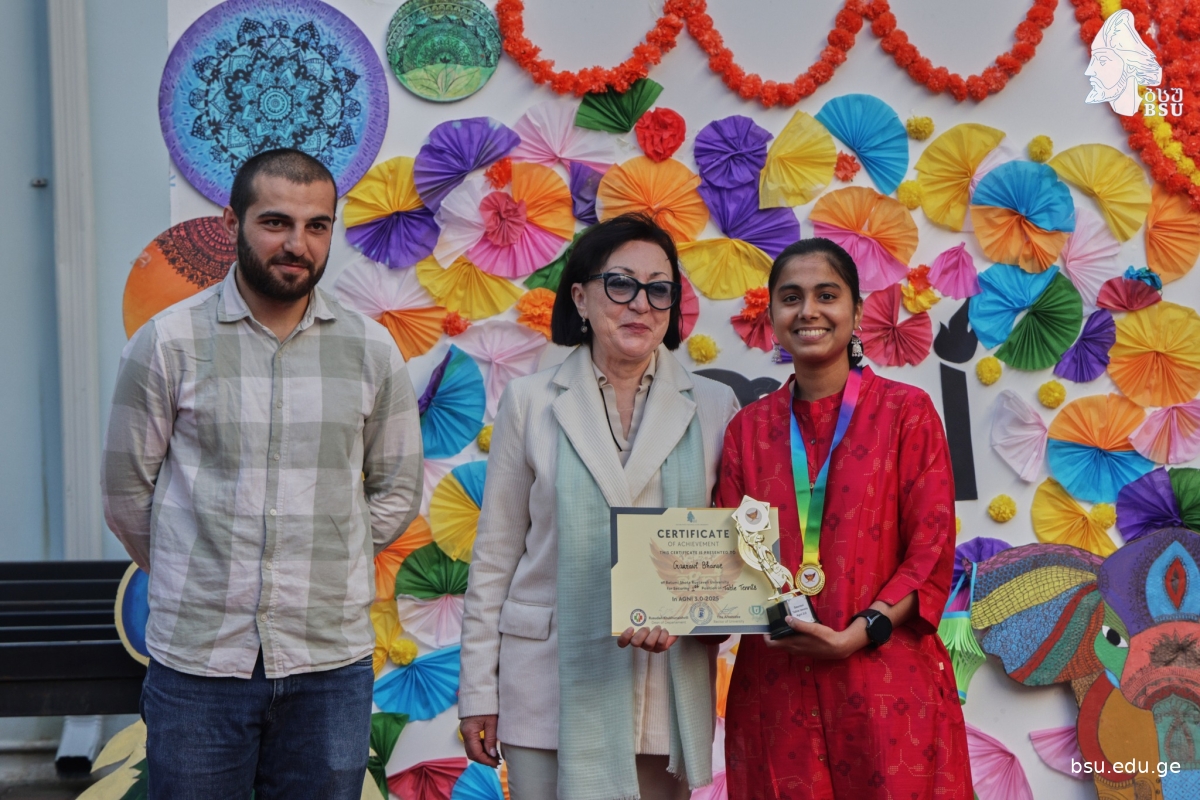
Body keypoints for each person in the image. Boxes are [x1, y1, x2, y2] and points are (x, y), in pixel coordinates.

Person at [101, 148, 423, 800]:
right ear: (232, 223)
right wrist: (200, 568)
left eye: (316, 226)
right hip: (199, 664)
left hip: (328, 665)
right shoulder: (167, 343)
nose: (297, 244)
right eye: (276, 222)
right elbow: (126, 495)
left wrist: (327, 555)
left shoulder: (370, 350)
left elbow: (397, 489)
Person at [458, 213, 739, 800]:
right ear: (581, 298)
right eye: (620, 284)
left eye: (659, 289)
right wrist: (478, 691)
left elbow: (730, 552)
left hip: (663, 681)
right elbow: (495, 559)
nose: (640, 303)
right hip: (548, 682)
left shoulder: (715, 406)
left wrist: (690, 611)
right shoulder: (529, 401)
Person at [717, 239, 971, 800]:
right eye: (791, 297)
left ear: (856, 312)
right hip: (777, 690)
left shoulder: (907, 413)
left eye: (826, 295)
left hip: (886, 681)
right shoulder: (747, 431)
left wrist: (864, 630)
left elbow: (931, 551)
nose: (807, 310)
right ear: (772, 316)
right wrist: (667, 608)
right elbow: (728, 557)